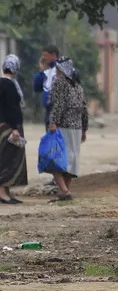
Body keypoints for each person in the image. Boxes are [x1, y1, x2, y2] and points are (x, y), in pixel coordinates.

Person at [47, 57, 88, 201]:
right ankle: (66, 190)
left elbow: (58, 104)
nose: (56, 71)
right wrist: (84, 128)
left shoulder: (60, 82)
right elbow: (84, 108)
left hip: (62, 126)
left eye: (57, 68)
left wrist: (53, 122)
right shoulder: (77, 85)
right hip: (76, 128)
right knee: (72, 160)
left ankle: (64, 190)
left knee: (55, 159)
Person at [0, 54, 27, 204]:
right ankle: (2, 193)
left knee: (6, 158)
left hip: (3, 127)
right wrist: (16, 127)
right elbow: (12, 108)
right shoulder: (9, 85)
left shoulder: (2, 83)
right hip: (8, 128)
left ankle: (7, 192)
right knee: (7, 160)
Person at [33, 45, 59, 132]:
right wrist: (41, 70)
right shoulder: (47, 71)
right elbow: (37, 88)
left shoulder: (60, 71)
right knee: (49, 143)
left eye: (46, 55)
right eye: (42, 55)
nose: (43, 58)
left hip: (57, 113)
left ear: (54, 55)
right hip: (48, 113)